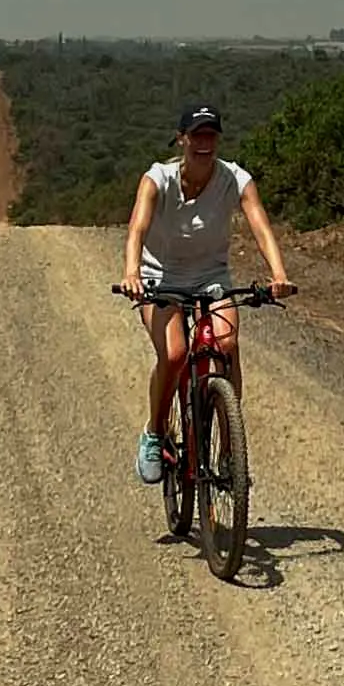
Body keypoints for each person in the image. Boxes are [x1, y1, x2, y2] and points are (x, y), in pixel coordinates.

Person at [119, 102, 294, 484]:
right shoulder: (158, 179)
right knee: (176, 353)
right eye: (196, 135)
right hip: (160, 277)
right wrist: (132, 272)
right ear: (182, 139)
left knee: (228, 346)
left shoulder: (235, 179)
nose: (204, 143)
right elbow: (137, 228)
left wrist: (278, 273)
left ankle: (231, 451)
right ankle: (154, 432)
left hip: (211, 276)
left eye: (210, 135)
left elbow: (260, 226)